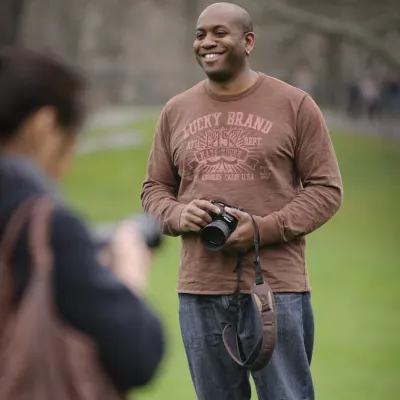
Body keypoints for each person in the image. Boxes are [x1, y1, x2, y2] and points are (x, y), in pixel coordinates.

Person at [141, 2, 343, 400]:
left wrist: (263, 228)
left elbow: (326, 189)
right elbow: (153, 191)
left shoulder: (294, 104)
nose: (207, 42)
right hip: (199, 290)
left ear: (248, 41)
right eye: (200, 34)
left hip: (275, 289)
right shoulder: (176, 110)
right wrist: (181, 214)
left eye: (220, 33)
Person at [0, 48, 164, 394]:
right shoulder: (37, 221)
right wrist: (128, 275)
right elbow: (138, 352)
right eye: (71, 141)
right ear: (43, 127)